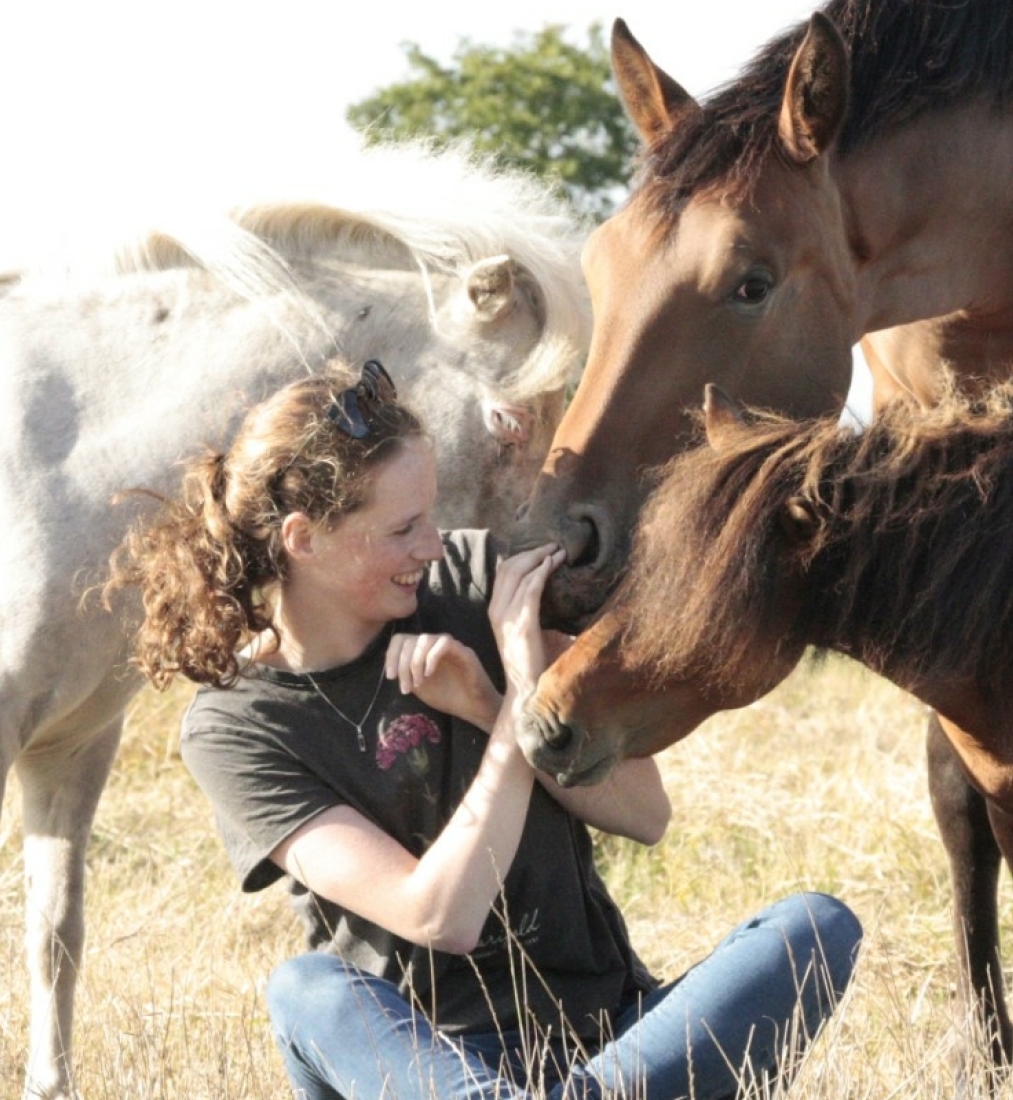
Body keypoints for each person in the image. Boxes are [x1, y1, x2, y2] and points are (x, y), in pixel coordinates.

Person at [110, 360, 862, 1099]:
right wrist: (519, 707)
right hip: (430, 1066)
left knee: (815, 929)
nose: (434, 545)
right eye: (403, 528)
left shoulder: (479, 584)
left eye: (430, 517)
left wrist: (490, 698)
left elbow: (646, 813)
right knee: (307, 990)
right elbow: (439, 915)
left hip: (615, 1039)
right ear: (305, 540)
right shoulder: (238, 727)